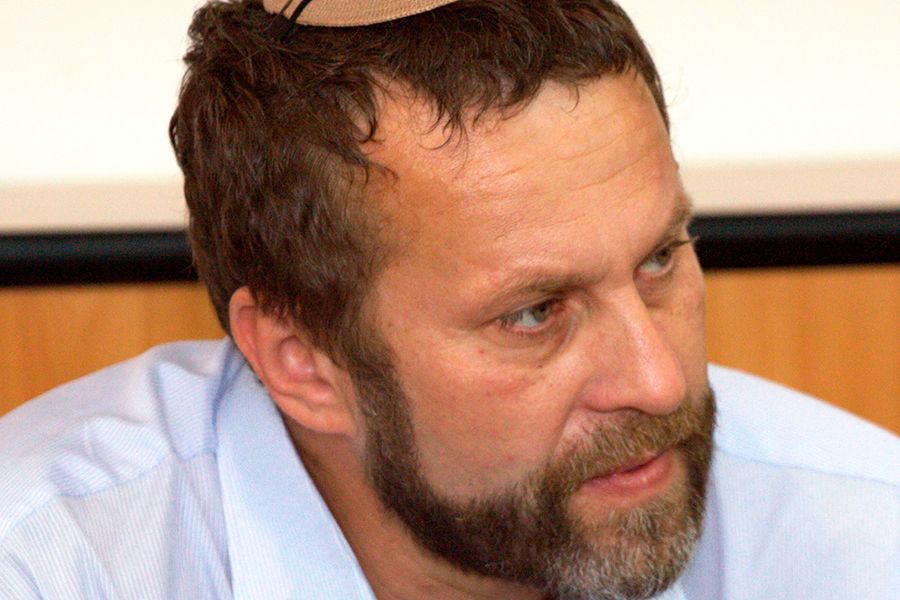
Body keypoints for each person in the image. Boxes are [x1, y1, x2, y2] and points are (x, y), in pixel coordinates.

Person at [0, 0, 897, 598]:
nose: (660, 383)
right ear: (302, 362)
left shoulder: (863, 541)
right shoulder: (50, 564)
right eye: (535, 314)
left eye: (659, 260)